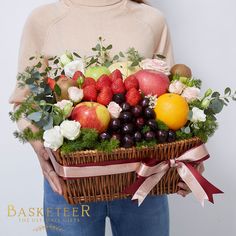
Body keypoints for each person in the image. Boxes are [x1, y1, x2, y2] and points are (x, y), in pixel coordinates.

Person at [9, 0, 204, 235]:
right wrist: (39, 148)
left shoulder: (152, 20)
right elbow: (24, 101)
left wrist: (186, 159)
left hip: (144, 180)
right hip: (69, 184)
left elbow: (174, 98)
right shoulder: (43, 20)